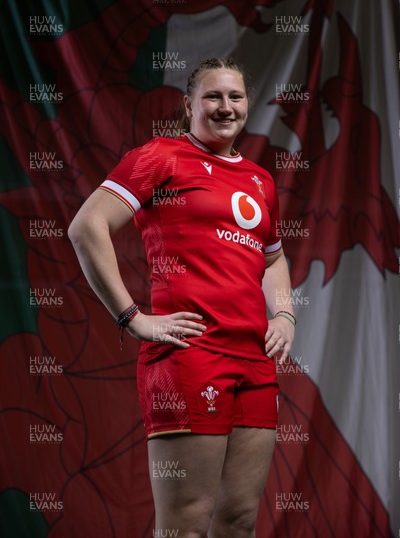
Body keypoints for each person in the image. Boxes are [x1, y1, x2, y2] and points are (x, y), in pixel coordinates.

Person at [68, 58, 295, 538]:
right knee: (185, 525)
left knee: (238, 522)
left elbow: (273, 260)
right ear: (189, 105)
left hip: (254, 359)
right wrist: (133, 317)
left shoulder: (259, 180)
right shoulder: (161, 156)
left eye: (235, 97)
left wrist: (286, 315)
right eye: (213, 97)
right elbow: (86, 227)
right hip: (190, 357)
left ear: (247, 105)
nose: (225, 107)